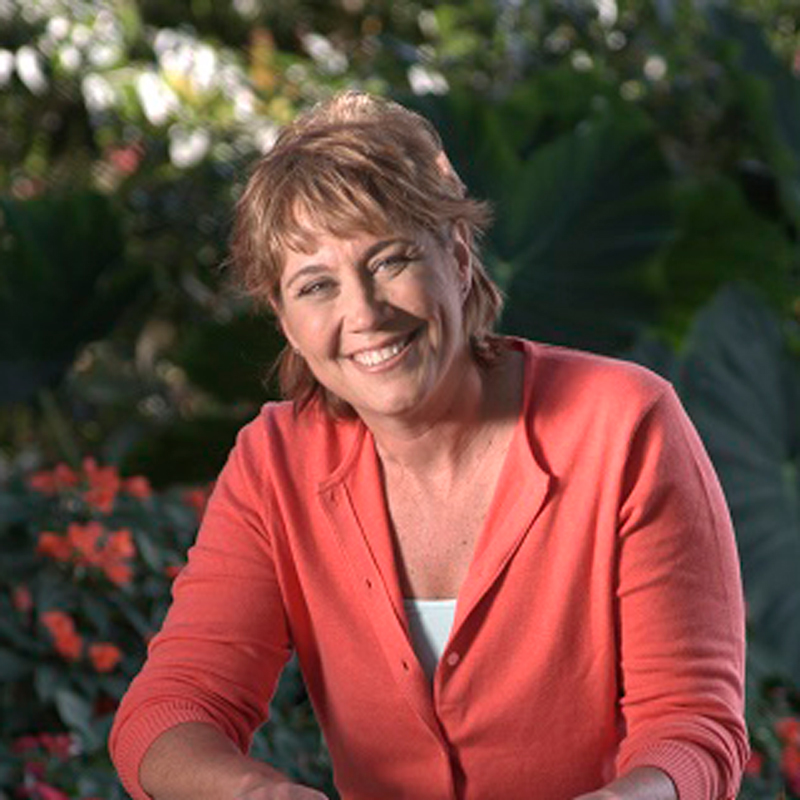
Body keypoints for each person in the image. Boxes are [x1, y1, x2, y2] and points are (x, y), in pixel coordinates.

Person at [109, 91, 749, 800]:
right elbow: (171, 709)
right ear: (286, 323)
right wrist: (259, 796)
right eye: (315, 285)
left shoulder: (624, 425)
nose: (364, 313)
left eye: (389, 261)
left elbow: (692, 730)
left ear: (459, 254)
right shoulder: (276, 463)